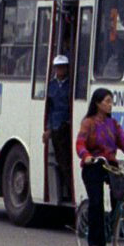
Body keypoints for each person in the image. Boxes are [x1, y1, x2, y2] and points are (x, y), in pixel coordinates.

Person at [76, 88, 124, 246]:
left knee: (120, 193)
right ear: (97, 103)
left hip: (110, 165)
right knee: (97, 202)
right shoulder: (88, 123)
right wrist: (86, 156)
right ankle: (94, 244)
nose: (109, 105)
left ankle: (114, 224)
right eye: (106, 101)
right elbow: (80, 144)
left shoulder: (113, 124)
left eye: (111, 101)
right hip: (93, 165)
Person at [43, 55, 73, 201]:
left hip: (66, 126)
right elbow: (49, 109)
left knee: (67, 162)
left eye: (63, 67)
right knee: (60, 161)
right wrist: (48, 129)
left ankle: (70, 190)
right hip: (55, 127)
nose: (61, 69)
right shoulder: (51, 85)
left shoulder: (71, 85)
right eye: (58, 67)